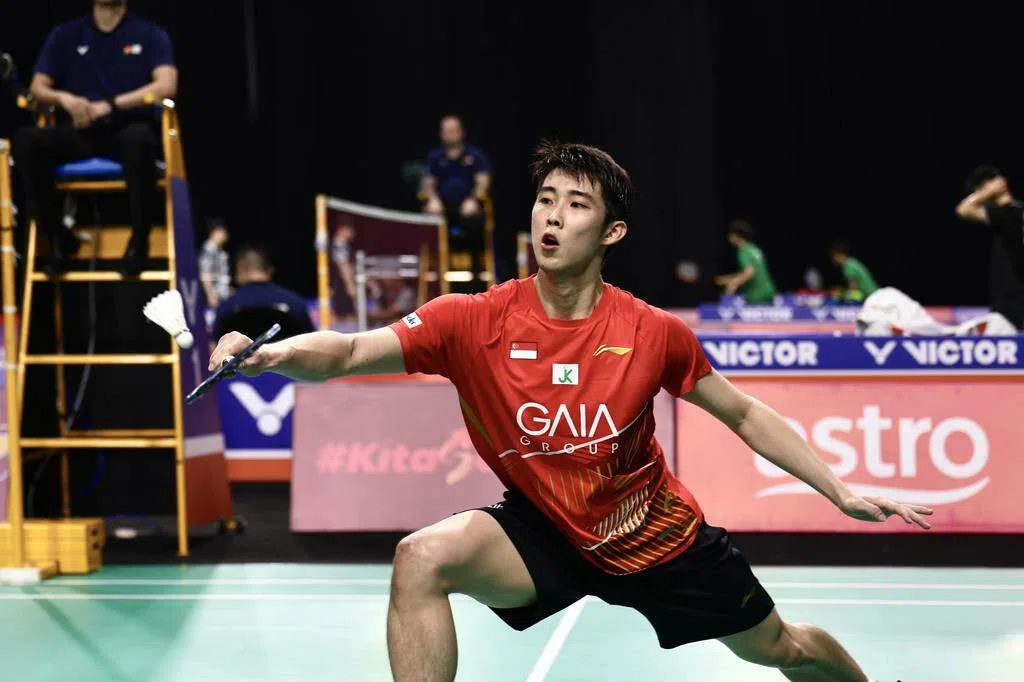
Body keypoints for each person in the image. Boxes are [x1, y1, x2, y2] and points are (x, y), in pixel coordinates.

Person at [210, 142, 930, 682]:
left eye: (576, 204)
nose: (552, 216)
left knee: (784, 649)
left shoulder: (651, 332)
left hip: (654, 537)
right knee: (421, 559)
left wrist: (838, 489)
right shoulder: (472, 320)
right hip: (547, 531)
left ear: (612, 231)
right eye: (545, 198)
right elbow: (345, 352)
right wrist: (268, 355)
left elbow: (742, 414)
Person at [12, 0, 177, 276]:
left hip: (125, 128)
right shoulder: (65, 35)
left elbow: (166, 84)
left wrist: (112, 105)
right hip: (79, 130)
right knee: (27, 141)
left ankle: (139, 244)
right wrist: (64, 99)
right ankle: (59, 239)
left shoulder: (150, 35)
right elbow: (37, 87)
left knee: (139, 139)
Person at [421, 115, 492, 288]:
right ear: (441, 134)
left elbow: (483, 182)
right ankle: (435, 275)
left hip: (468, 208)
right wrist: (433, 199)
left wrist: (473, 199)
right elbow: (428, 184)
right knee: (430, 219)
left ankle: (476, 277)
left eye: (453, 130)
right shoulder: (435, 157)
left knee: (476, 220)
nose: (449, 133)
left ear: (462, 132)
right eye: (446, 130)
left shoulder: (475, 156)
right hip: (443, 209)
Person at [956, 165, 1024, 329]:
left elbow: (964, 209)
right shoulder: (1000, 215)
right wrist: (986, 192)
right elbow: (964, 210)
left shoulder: (1014, 211)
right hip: (1007, 306)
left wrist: (988, 191)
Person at [212, 246, 314, 340]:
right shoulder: (295, 305)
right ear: (270, 270)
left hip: (242, 355)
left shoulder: (226, 307)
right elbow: (310, 343)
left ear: (240, 269)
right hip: (285, 355)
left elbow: (214, 349)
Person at [715, 219, 778, 303]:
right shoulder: (753, 248)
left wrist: (733, 283)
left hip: (757, 295)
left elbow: (749, 273)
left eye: (730, 235)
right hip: (769, 291)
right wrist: (728, 279)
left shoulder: (743, 251)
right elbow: (751, 271)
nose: (728, 237)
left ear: (736, 236)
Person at [199, 219, 231, 308]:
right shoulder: (208, 250)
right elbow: (205, 274)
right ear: (214, 232)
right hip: (215, 298)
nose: (225, 235)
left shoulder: (220, 251)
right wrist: (210, 295)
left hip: (222, 296)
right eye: (222, 231)